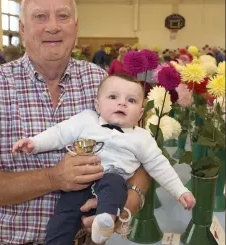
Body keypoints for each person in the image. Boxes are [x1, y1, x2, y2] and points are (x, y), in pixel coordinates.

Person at [0, 0, 151, 245]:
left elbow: (142, 155)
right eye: (40, 17)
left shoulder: (99, 82)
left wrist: (127, 207)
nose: (53, 26)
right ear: (22, 28)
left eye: (63, 16)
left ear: (76, 26)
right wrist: (54, 177)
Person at [13, 73, 196, 245]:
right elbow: (59, 133)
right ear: (98, 105)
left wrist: (180, 191)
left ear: (140, 114)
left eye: (131, 100)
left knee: (114, 182)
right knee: (60, 221)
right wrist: (34, 143)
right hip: (77, 183)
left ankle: (105, 221)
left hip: (111, 187)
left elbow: (159, 165)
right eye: (113, 97)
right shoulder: (86, 120)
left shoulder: (142, 138)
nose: (122, 103)